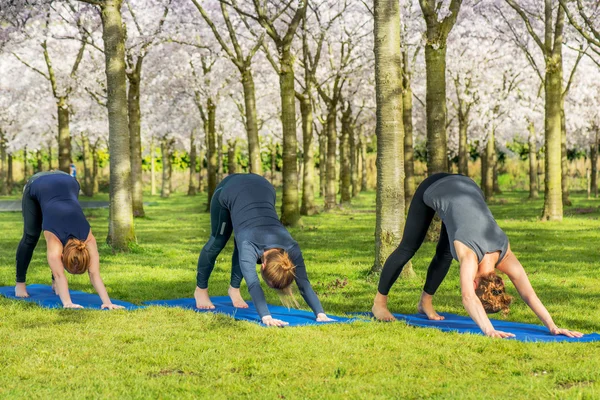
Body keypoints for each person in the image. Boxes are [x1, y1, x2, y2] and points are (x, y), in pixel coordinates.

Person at [372, 173, 583, 339]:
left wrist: (553, 326)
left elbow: (529, 294)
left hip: (466, 184)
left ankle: (424, 303)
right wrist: (488, 330)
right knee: (408, 248)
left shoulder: (504, 251)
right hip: (435, 186)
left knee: (446, 253)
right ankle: (379, 304)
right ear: (475, 284)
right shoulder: (470, 256)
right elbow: (467, 297)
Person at [195, 173, 333, 326]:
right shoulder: (249, 245)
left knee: (242, 244)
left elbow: (304, 283)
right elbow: (254, 284)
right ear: (263, 265)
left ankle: (233, 290)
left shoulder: (291, 247)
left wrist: (320, 313)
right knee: (218, 241)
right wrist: (266, 317)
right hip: (229, 188)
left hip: (265, 187)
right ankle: (200, 290)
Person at [15, 170, 123, 310]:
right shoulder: (55, 240)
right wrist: (67, 303)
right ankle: (20, 283)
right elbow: (60, 275)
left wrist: (107, 302)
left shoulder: (88, 239)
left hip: (68, 180)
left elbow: (95, 274)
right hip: (38, 182)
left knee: (51, 205)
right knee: (31, 236)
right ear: (62, 256)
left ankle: (55, 286)